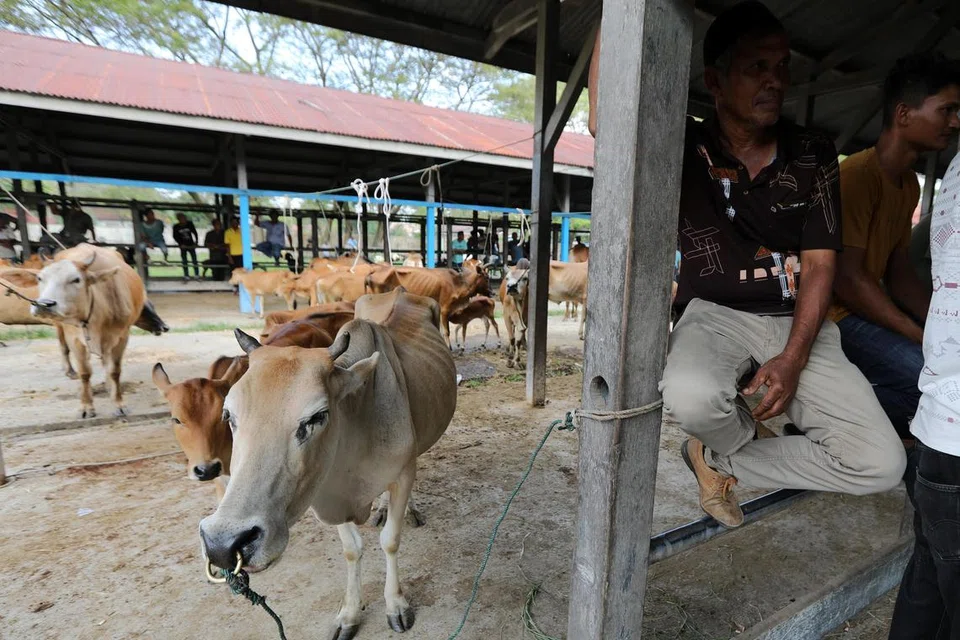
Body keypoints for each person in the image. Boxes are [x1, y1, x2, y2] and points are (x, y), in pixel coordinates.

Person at [589, 2, 905, 528]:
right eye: (756, 68)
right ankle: (731, 439)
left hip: (798, 322)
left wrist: (795, 357)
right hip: (713, 315)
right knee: (692, 399)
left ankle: (715, 458)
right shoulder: (684, 144)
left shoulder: (812, 151)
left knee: (882, 464)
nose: (774, 81)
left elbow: (821, 264)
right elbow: (606, 123)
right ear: (715, 80)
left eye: (781, 68)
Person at [831, 54, 960, 440]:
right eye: (947, 110)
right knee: (925, 375)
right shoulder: (856, 176)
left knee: (941, 366)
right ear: (904, 114)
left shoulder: (908, 186)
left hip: (861, 310)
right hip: (834, 315)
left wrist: (943, 325)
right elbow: (847, 280)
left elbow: (901, 276)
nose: (956, 122)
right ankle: (824, 423)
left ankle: (833, 425)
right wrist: (919, 334)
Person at [888, 150, 960, 640]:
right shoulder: (861, 177)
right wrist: (917, 335)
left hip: (942, 423)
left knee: (930, 582)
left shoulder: (949, 171)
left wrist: (927, 335)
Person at [172, 213, 200, 279]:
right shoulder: (176, 226)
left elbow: (195, 232)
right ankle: (186, 275)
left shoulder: (189, 224)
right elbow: (175, 236)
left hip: (190, 244)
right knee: (184, 260)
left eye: (184, 218)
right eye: (181, 218)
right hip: (183, 245)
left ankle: (196, 274)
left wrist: (196, 242)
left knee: (194, 260)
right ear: (178, 219)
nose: (183, 220)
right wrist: (180, 244)